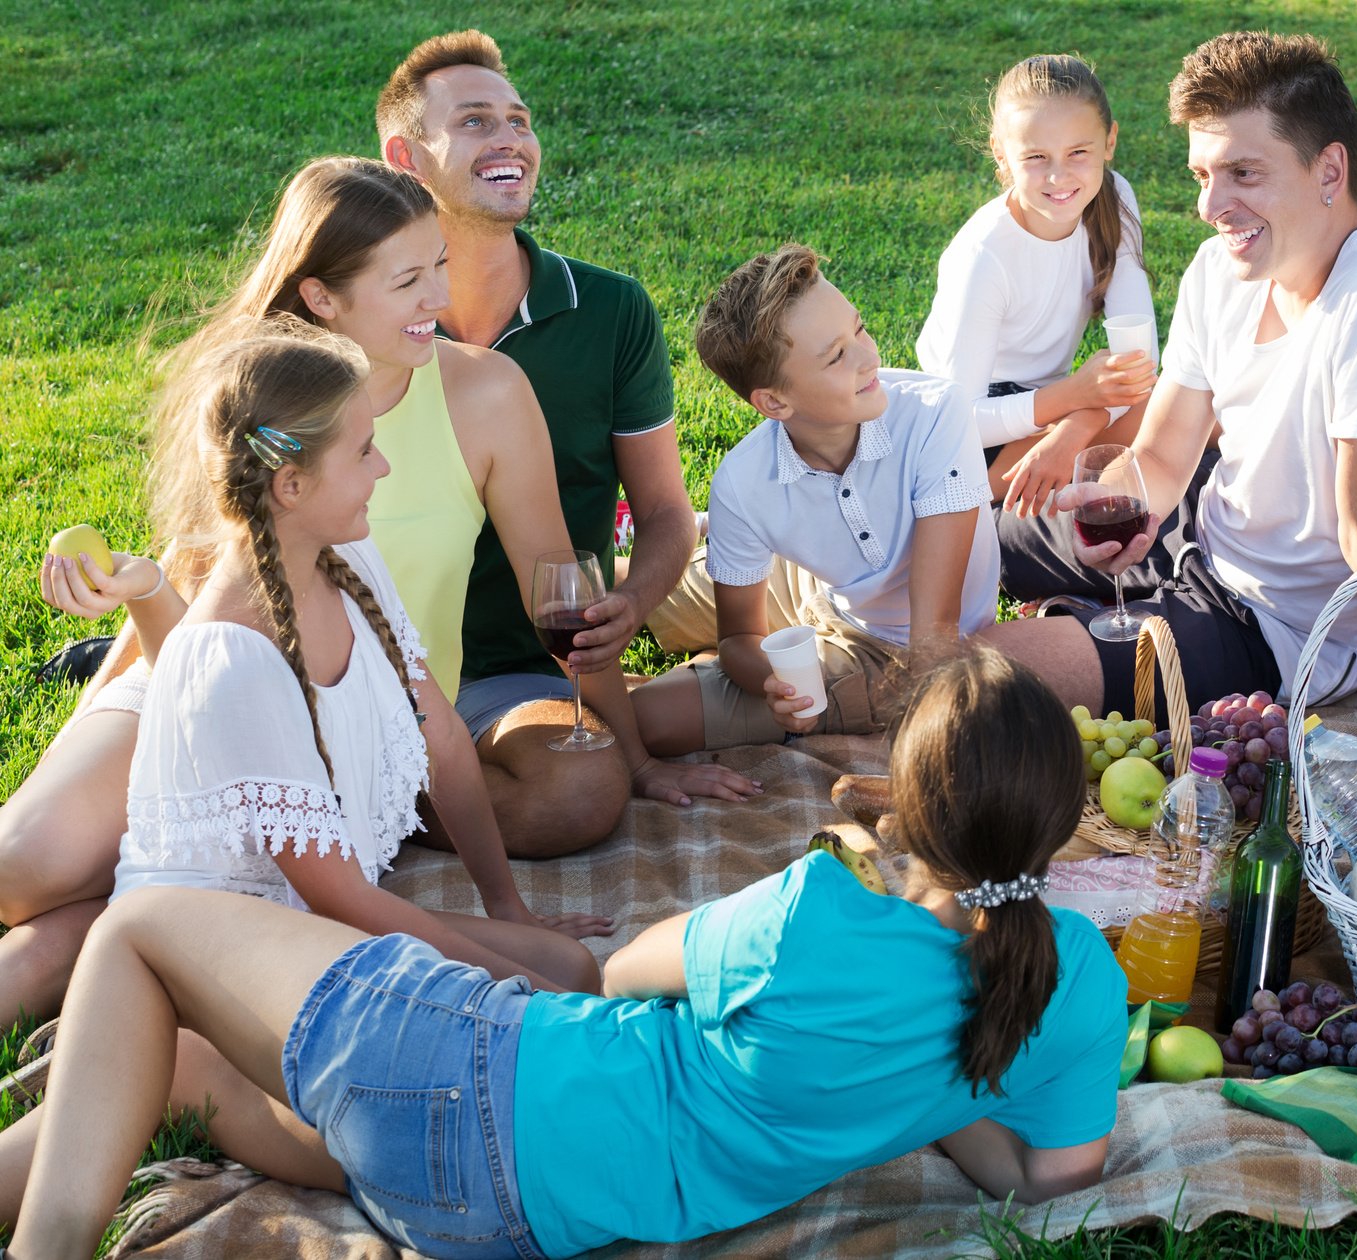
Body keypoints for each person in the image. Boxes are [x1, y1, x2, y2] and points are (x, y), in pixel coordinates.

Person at [6, 649, 1127, 1257]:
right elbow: (1044, 1179)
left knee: (144, 929)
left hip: (465, 1088)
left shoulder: (817, 914)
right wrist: (930, 1091)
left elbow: (622, 969)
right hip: (476, 1216)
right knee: (185, 1066)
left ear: (905, 803)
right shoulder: (1074, 983)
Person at [3, 156, 694, 1030]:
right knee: (26, 868)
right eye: (408, 278)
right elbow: (196, 651)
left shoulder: (453, 426)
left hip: (347, 709)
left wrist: (612, 776)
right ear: (322, 297)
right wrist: (134, 600)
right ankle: (140, 933)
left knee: (111, 910)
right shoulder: (259, 403)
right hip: (205, 691)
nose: (437, 297)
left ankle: (128, 935)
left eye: (439, 266)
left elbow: (555, 603)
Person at [995, 32, 1357, 730]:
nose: (1210, 206)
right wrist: (1127, 514)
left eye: (1243, 174)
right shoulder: (1221, 270)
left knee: (984, 672)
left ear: (1328, 172)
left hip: (1274, 626)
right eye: (1202, 175)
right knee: (972, 544)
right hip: (1193, 527)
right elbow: (1159, 458)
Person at [376, 31, 727, 852]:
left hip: (519, 674)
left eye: (519, 120)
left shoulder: (611, 311)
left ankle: (356, 803)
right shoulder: (367, 321)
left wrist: (630, 607)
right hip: (369, 667)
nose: (509, 139)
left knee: (579, 791)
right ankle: (363, 791)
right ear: (407, 157)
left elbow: (669, 514)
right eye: (473, 122)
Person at [629, 244, 997, 752]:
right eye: (837, 355)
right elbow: (739, 638)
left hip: (879, 642)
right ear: (775, 401)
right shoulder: (742, 483)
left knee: (643, 721)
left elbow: (933, 638)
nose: (871, 356)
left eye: (859, 329)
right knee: (631, 593)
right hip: (812, 577)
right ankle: (605, 574)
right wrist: (767, 679)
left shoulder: (937, 415)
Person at [916, 53, 1157, 513]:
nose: (1059, 176)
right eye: (1036, 157)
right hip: (981, 425)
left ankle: (1062, 482)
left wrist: (1078, 424)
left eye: (1078, 153)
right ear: (1001, 154)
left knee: (1185, 401)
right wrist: (1072, 400)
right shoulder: (983, 258)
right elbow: (957, 421)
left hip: (1060, 409)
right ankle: (981, 506)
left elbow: (1139, 363)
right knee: (1169, 424)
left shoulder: (1114, 197)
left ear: (1110, 142)